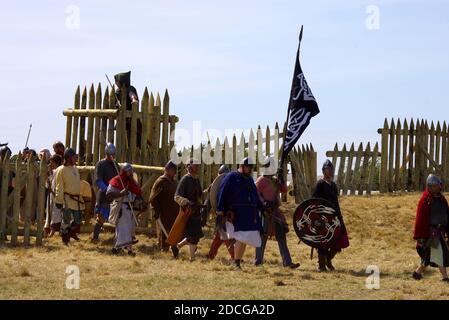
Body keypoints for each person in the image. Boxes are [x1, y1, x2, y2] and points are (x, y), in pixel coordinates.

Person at [217, 157, 263, 270]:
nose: (250, 170)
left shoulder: (250, 180)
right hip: (236, 214)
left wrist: (262, 207)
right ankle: (236, 263)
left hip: (249, 214)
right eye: (248, 167)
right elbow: (222, 191)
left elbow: (255, 196)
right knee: (241, 237)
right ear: (242, 166)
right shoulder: (231, 177)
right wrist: (220, 210)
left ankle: (237, 261)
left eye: (251, 168)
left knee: (245, 239)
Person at [255, 157, 300, 269]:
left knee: (281, 236)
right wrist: (264, 203)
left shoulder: (276, 180)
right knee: (262, 237)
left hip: (275, 212)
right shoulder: (261, 180)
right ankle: (258, 261)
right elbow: (255, 194)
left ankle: (287, 262)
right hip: (265, 212)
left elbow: (284, 189)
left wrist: (282, 178)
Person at [312, 160, 349, 272]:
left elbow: (335, 201)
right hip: (323, 217)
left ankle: (328, 259)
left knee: (340, 239)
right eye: (328, 169)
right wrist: (317, 217)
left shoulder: (333, 185)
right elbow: (314, 201)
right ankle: (321, 265)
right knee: (323, 241)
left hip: (334, 216)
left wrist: (339, 216)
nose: (330, 171)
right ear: (324, 171)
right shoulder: (320, 184)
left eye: (332, 169)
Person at [413, 174, 449, 282]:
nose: (439, 187)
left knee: (429, 256)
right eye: (437, 185)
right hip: (431, 233)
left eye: (439, 185)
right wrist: (422, 235)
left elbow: (446, 214)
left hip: (440, 232)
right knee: (439, 253)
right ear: (431, 186)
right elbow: (421, 220)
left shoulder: (441, 199)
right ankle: (445, 277)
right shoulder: (425, 200)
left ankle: (417, 273)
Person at [107, 163, 144, 256]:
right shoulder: (116, 181)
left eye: (131, 171)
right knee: (124, 229)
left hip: (129, 208)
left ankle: (116, 248)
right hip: (121, 207)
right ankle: (129, 251)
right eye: (129, 171)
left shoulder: (130, 181)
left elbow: (138, 191)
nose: (131, 173)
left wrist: (141, 202)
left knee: (128, 229)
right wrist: (121, 193)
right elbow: (109, 194)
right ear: (124, 171)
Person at [172, 159, 204, 261]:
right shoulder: (185, 179)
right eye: (195, 165)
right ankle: (192, 258)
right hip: (188, 211)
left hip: (196, 211)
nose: (197, 167)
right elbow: (176, 197)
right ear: (189, 167)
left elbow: (199, 195)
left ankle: (177, 247)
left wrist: (208, 191)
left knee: (195, 235)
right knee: (193, 235)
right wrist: (187, 202)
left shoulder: (196, 179)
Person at [54, 148, 85, 245]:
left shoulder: (75, 168)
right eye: (73, 157)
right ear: (68, 158)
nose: (75, 158)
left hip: (76, 199)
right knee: (66, 220)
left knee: (78, 220)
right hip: (67, 198)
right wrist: (59, 200)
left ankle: (70, 233)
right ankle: (65, 238)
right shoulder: (61, 169)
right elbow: (59, 186)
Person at [91, 143, 119, 243]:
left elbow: (118, 179)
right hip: (104, 194)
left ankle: (118, 239)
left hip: (114, 195)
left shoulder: (116, 165)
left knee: (117, 218)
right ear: (106, 154)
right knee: (101, 218)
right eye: (111, 155)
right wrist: (107, 189)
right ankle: (94, 238)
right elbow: (98, 180)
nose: (112, 157)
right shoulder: (101, 164)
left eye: (114, 155)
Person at [149, 160, 179, 252]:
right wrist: (156, 210)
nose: (174, 172)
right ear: (167, 169)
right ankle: (163, 249)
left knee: (172, 232)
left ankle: (172, 247)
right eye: (172, 170)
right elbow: (153, 198)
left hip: (173, 212)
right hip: (163, 212)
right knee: (163, 232)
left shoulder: (174, 182)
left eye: (174, 170)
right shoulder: (160, 181)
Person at [207, 165, 235, 260]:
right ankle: (234, 256)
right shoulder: (215, 186)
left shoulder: (230, 185)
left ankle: (211, 254)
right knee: (226, 236)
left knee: (219, 237)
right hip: (221, 214)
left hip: (227, 214)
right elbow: (210, 200)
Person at [114, 71, 143, 149]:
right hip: (122, 120)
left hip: (132, 120)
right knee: (122, 143)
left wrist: (133, 99)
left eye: (117, 81)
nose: (116, 83)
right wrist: (117, 105)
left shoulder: (130, 88)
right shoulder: (117, 91)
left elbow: (132, 94)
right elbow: (115, 102)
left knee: (134, 142)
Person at [44, 154, 63, 237]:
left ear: (56, 163)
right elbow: (48, 184)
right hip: (51, 195)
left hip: (57, 195)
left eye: (52, 162)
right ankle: (47, 230)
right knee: (50, 212)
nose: (50, 164)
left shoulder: (59, 171)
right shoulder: (53, 172)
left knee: (56, 213)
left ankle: (53, 231)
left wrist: (55, 192)